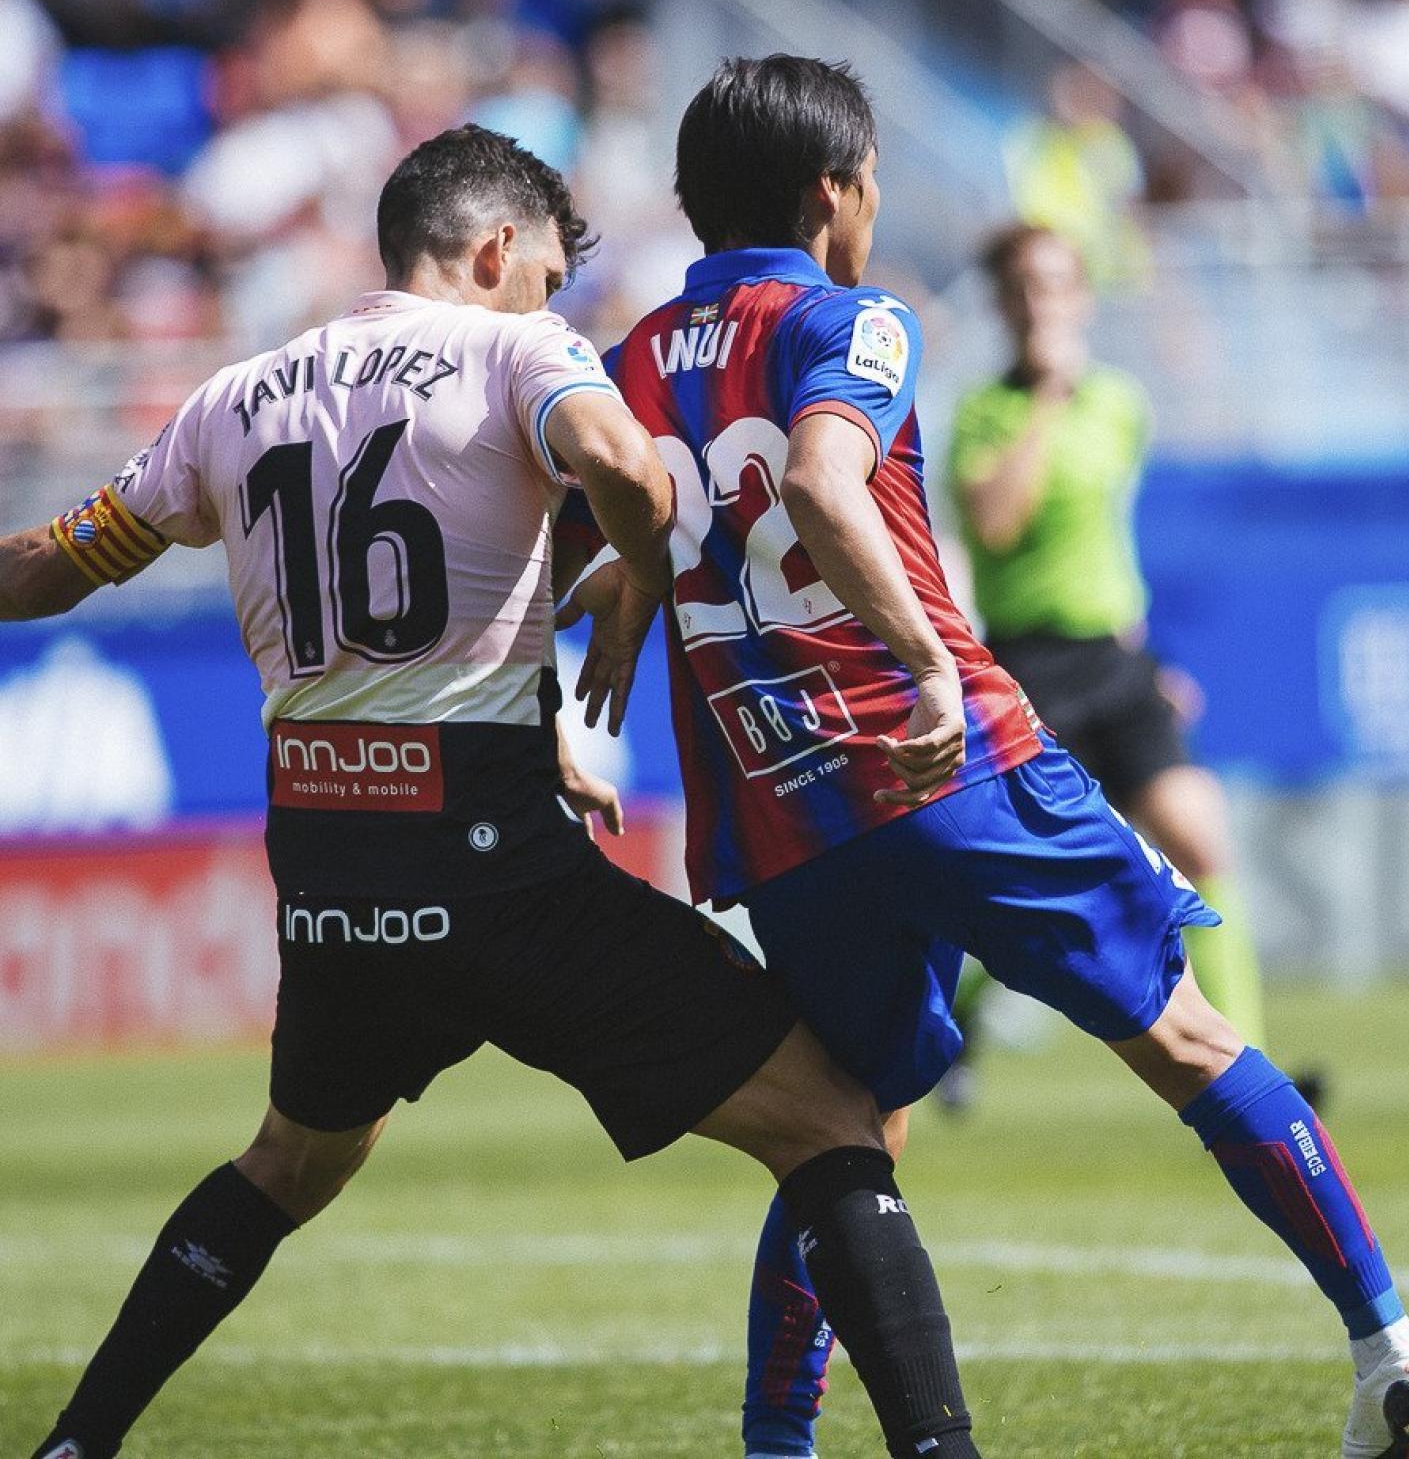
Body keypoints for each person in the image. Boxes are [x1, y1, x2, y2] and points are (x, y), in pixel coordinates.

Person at [0, 126, 981, 1459]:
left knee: (288, 1165)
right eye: (544, 280)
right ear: (498, 250)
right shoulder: (520, 353)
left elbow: (46, 571)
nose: (551, 307)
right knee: (830, 1124)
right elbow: (629, 470)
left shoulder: (233, 397)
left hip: (332, 872)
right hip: (497, 869)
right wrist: (633, 584)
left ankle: (72, 1447)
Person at [563, 56, 1409, 1459]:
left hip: (780, 810)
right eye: (865, 191)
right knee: (1181, 1033)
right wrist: (922, 660)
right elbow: (813, 479)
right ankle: (1385, 1352)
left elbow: (604, 538)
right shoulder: (849, 319)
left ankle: (776, 1448)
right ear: (829, 195)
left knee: (838, 1135)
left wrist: (605, 615)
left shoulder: (620, 367)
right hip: (944, 764)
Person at [949, 222, 1275, 1067]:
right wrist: (1047, 404)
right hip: (1027, 664)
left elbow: (1103, 542)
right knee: (1031, 884)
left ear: (1082, 297)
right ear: (1000, 304)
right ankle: (959, 1023)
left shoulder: (1121, 406)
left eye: (1055, 285)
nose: (1039, 304)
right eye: (1022, 288)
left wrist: (1152, 661)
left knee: (1202, 845)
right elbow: (996, 522)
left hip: (1116, 657)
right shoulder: (984, 415)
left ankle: (1254, 1068)